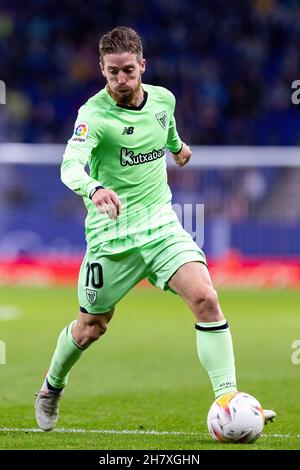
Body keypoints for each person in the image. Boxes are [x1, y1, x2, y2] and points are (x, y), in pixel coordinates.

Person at [35, 26, 275, 431]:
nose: (121, 81)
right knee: (91, 327)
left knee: (206, 298)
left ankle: (229, 400)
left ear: (142, 65)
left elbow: (165, 129)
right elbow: (70, 165)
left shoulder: (164, 99)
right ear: (101, 69)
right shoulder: (93, 116)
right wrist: (93, 188)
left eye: (128, 71)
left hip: (161, 227)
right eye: (112, 73)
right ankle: (51, 387)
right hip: (112, 238)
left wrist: (177, 147)